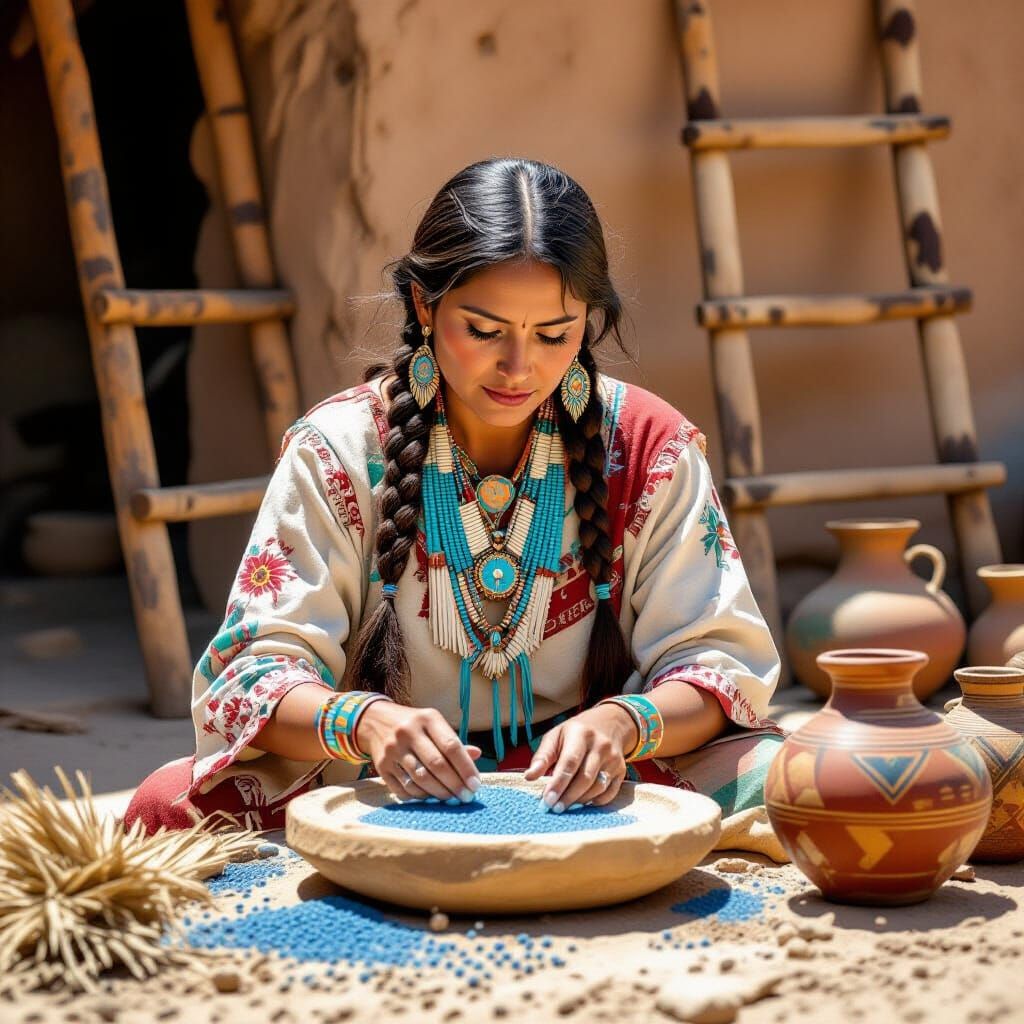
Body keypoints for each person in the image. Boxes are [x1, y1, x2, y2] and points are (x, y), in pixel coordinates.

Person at [124, 157, 782, 836]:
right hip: (383, 783)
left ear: (589, 321)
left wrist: (621, 724)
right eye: (485, 330)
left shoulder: (647, 444)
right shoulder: (340, 450)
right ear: (423, 305)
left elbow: (717, 665)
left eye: (554, 335)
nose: (520, 367)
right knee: (164, 807)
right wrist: (368, 723)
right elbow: (253, 672)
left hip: (590, 783)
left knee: (786, 778)